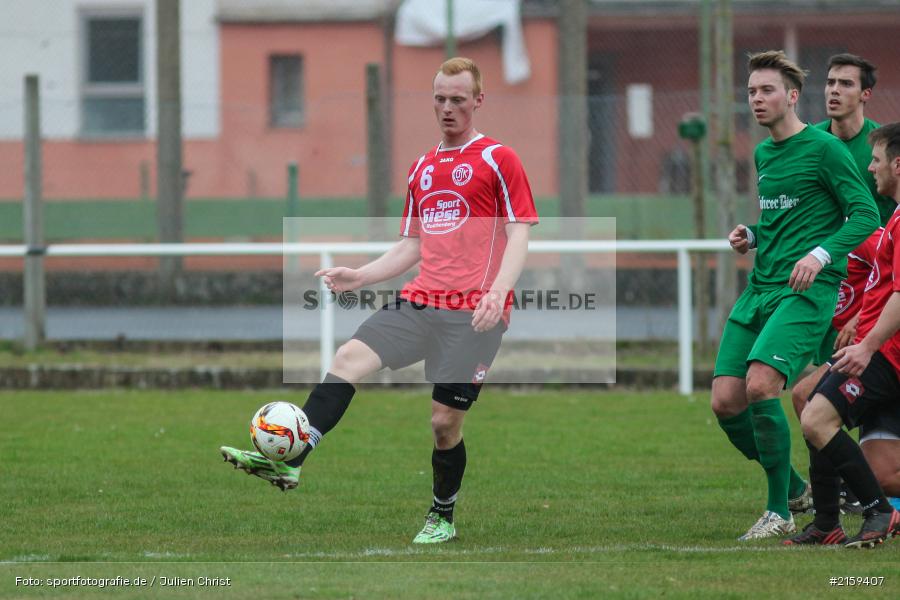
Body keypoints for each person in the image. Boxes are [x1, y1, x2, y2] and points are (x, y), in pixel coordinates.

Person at [220, 57, 538, 544]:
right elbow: (412, 244)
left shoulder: (498, 158)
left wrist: (498, 293)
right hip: (421, 300)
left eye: (458, 99)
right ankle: (290, 462)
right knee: (348, 357)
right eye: (440, 98)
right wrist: (360, 275)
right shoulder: (422, 167)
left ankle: (442, 517)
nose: (448, 108)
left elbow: (519, 234)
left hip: (473, 313)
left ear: (478, 100)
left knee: (443, 424)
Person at [711, 50, 879, 540]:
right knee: (725, 401)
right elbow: (788, 219)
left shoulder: (827, 149)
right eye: (750, 92)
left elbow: (865, 214)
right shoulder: (764, 154)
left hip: (807, 291)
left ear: (791, 96)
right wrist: (755, 235)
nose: (756, 100)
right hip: (760, 288)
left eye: (766, 91)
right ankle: (794, 486)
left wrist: (821, 256)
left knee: (762, 385)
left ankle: (777, 510)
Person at [786, 123, 900, 547]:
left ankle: (878, 514)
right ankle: (827, 523)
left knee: (816, 416)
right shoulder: (894, 218)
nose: (870, 168)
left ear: (897, 165)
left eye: (875, 160)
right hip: (876, 349)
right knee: (883, 471)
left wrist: (867, 345)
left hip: (885, 354)